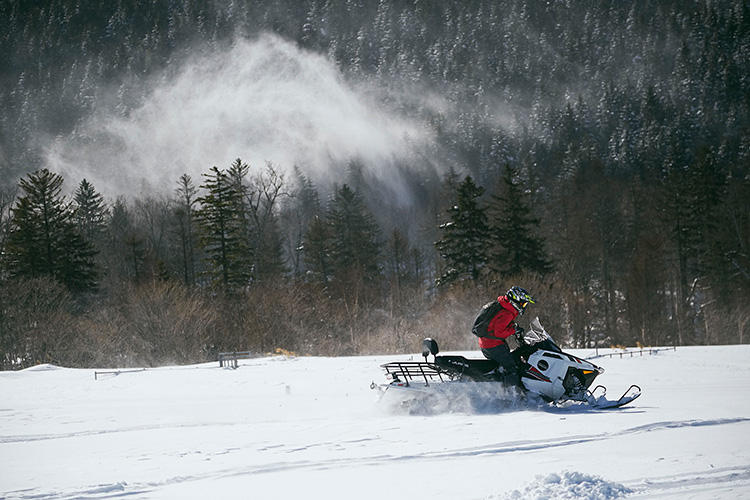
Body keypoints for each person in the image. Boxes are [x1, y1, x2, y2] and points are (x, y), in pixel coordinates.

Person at [478, 286, 535, 388]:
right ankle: (512, 395)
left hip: (487, 343)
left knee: (504, 365)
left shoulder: (503, 305)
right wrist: (514, 330)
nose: (524, 306)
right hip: (493, 345)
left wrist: (513, 327)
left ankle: (498, 387)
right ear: (516, 300)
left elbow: (497, 324)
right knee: (511, 368)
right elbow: (498, 332)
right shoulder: (507, 312)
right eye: (523, 303)